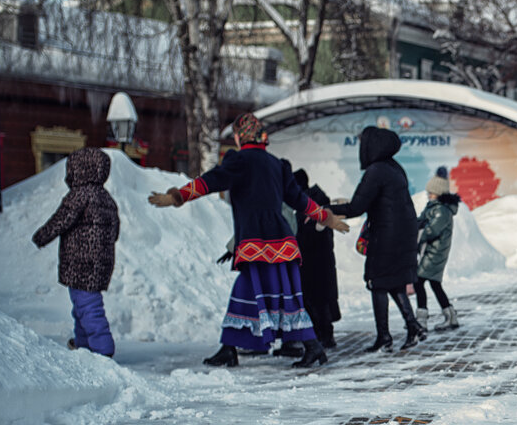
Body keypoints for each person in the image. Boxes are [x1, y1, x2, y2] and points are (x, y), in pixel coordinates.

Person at [148, 112, 349, 368]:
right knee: (284, 296)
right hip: (283, 243)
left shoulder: (239, 160)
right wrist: (326, 218)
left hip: (256, 243)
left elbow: (211, 181)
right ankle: (306, 347)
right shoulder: (277, 164)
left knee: (247, 291)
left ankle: (235, 349)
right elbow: (299, 200)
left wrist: (178, 196)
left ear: (239, 136)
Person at [332, 126, 425, 352]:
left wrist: (326, 209)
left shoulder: (376, 171)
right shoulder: (394, 167)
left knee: (377, 283)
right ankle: (413, 326)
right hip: (402, 234)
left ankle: (384, 337)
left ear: (370, 146)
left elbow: (357, 207)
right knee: (393, 281)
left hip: (386, 237)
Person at [32, 146, 120, 357]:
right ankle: (83, 344)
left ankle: (102, 349)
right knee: (82, 305)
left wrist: (42, 236)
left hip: (80, 262)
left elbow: (61, 219)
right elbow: (114, 231)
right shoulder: (107, 198)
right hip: (101, 263)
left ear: (79, 170)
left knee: (88, 307)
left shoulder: (79, 195)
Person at [293, 169, 341, 348]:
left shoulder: (311, 205)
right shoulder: (313, 202)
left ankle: (325, 336)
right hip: (318, 259)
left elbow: (313, 233)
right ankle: (323, 335)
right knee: (318, 299)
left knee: (317, 300)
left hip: (315, 259)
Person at [414, 167, 461, 332]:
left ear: (439, 193)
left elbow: (432, 230)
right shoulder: (433, 207)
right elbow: (421, 221)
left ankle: (421, 321)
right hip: (431, 251)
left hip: (435, 253)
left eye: (432, 192)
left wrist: (417, 235)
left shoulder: (442, 210)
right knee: (435, 284)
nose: (429, 194)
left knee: (419, 281)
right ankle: (451, 316)